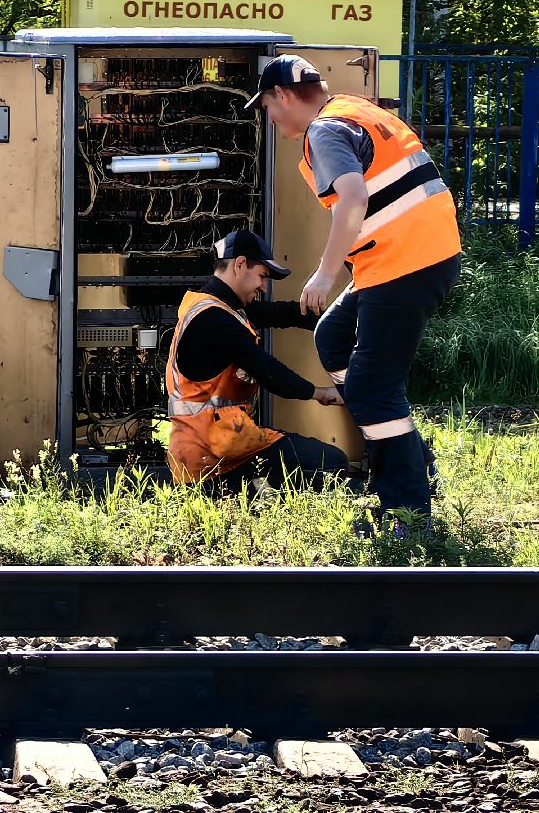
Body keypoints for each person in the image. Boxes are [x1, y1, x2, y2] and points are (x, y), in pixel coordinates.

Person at [248, 54, 461, 526]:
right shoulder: (354, 109)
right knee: (334, 337)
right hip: (418, 256)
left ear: (282, 95)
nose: (270, 118)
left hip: (404, 264)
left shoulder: (323, 131)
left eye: (267, 107)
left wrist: (324, 274)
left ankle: (408, 513)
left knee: (372, 386)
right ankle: (411, 458)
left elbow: (354, 198)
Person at [165, 228, 355, 493]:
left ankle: (255, 492)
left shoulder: (221, 307)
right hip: (213, 453)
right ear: (240, 264)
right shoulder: (213, 319)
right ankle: (255, 494)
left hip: (219, 445)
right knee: (330, 463)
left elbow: (284, 313)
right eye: (262, 276)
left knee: (320, 464)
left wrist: (342, 325)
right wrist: (321, 393)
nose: (264, 287)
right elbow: (269, 372)